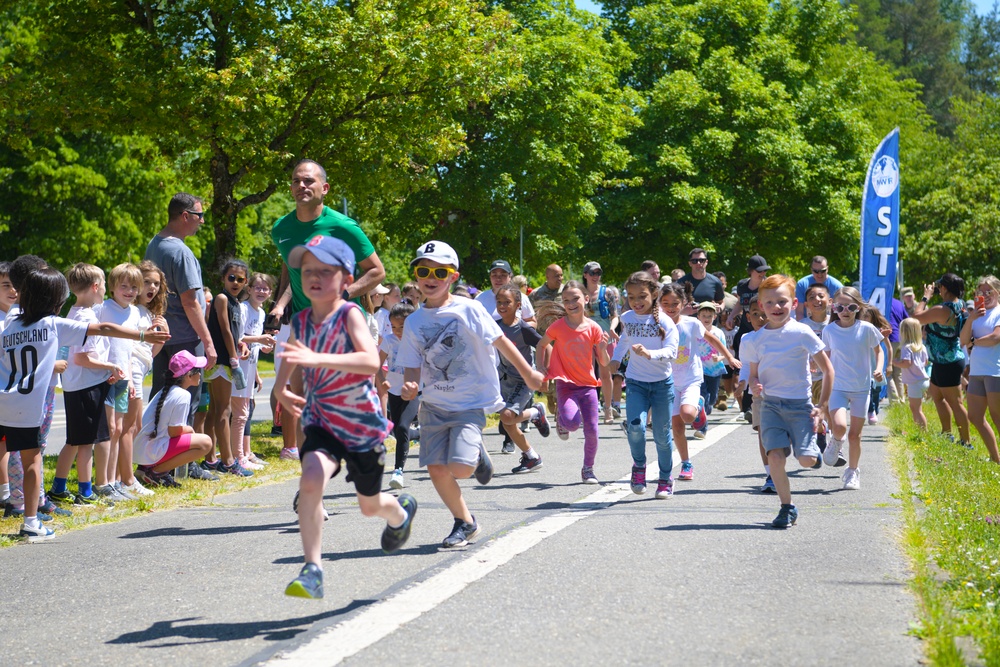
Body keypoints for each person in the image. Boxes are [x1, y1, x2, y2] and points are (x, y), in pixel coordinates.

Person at [276, 235, 414, 599]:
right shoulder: (302, 320)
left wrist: (317, 360)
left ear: (346, 276)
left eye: (325, 269)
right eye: (307, 270)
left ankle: (399, 514)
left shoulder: (350, 314)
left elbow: (370, 361)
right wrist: (280, 387)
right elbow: (294, 357)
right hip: (322, 421)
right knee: (310, 479)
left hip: (361, 426)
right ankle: (312, 569)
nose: (314, 276)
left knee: (369, 506)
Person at [2, 267, 169, 541]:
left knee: (10, 455)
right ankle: (30, 522)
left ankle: (13, 501)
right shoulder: (53, 324)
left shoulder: (10, 325)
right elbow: (103, 328)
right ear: (56, 299)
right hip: (30, 405)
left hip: (6, 400)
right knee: (32, 462)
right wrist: (142, 336)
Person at [398, 240, 543, 548]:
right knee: (437, 468)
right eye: (424, 270)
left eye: (440, 271)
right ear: (416, 275)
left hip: (467, 403)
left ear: (453, 276)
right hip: (433, 406)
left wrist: (529, 373)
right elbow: (412, 365)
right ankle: (465, 522)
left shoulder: (470, 308)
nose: (431, 276)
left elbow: (502, 342)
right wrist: (410, 386)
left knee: (461, 469)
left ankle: (475, 455)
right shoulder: (413, 321)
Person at [268, 159, 387, 461]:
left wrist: (342, 294)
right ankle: (314, 473)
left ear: (325, 188)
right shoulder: (281, 229)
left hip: (342, 326)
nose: (302, 186)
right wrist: (282, 304)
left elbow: (376, 271)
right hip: (303, 324)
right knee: (304, 400)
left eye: (309, 181)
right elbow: (292, 274)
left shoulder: (343, 226)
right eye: (296, 181)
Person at [742, 274, 833, 528]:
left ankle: (816, 441)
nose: (776, 308)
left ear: (793, 304)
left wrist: (822, 408)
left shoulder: (801, 332)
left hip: (800, 406)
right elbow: (753, 374)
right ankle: (786, 507)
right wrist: (753, 384)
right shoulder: (754, 339)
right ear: (761, 306)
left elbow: (828, 370)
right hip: (770, 405)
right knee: (775, 458)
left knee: (805, 460)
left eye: (782, 302)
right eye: (769, 303)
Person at [51, 263, 121, 505]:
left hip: (79, 386)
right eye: (103, 285)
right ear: (95, 286)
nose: (104, 290)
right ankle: (86, 492)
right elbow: (83, 358)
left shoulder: (75, 312)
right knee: (85, 443)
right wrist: (110, 367)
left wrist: (104, 373)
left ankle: (59, 487)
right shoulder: (86, 318)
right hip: (85, 389)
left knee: (74, 440)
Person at [145, 193, 217, 414]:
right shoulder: (181, 252)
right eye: (200, 215)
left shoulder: (154, 244)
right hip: (185, 339)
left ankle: (156, 448)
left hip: (161, 337)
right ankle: (180, 450)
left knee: (160, 401)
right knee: (185, 405)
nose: (202, 221)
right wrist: (208, 343)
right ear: (185, 216)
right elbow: (190, 303)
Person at [658, 282, 739, 482]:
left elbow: (713, 339)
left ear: (684, 303)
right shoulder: (657, 324)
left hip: (690, 379)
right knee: (676, 427)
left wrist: (729, 358)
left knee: (687, 415)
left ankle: (699, 407)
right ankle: (686, 463)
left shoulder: (691, 323)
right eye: (665, 303)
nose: (670, 307)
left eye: (675, 303)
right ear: (659, 303)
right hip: (668, 381)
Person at [536, 280, 610, 483]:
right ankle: (562, 417)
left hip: (588, 386)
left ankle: (588, 469)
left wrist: (602, 349)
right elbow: (542, 345)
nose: (570, 303)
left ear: (586, 299)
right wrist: (540, 367)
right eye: (566, 300)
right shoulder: (557, 327)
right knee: (572, 424)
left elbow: (603, 362)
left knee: (592, 430)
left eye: (575, 298)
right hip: (565, 384)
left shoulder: (594, 328)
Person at [612, 271, 678, 498]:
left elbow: (672, 352)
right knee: (636, 427)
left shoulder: (666, 322)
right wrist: (614, 361)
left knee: (661, 434)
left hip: (662, 385)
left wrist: (649, 353)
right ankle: (639, 466)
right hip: (636, 383)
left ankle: (665, 477)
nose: (636, 302)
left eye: (642, 296)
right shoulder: (628, 318)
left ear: (654, 294)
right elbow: (624, 341)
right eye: (631, 297)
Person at [820, 287, 885, 491]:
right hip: (837, 387)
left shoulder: (866, 328)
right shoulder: (829, 330)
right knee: (839, 426)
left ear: (858, 307)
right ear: (834, 307)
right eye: (840, 307)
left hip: (861, 388)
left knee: (855, 435)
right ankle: (835, 442)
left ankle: (852, 472)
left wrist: (879, 368)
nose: (845, 310)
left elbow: (879, 351)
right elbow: (826, 358)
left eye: (851, 306)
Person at [133, 351, 215, 489]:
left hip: (142, 451)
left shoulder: (168, 390)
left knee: (195, 439)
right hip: (151, 451)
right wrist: (189, 429)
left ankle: (146, 468)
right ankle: (157, 472)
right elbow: (174, 431)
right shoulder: (183, 395)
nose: (200, 374)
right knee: (205, 443)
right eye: (198, 370)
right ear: (189, 375)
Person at [202, 259, 253, 477]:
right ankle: (229, 461)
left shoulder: (236, 303)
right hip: (221, 360)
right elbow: (224, 330)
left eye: (240, 279)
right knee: (224, 410)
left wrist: (240, 344)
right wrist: (233, 357)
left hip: (226, 358)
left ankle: (210, 459)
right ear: (223, 278)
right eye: (231, 277)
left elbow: (233, 333)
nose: (235, 282)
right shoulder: (222, 298)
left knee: (215, 410)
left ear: (245, 282)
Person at [494, 285, 550, 473]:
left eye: (507, 302)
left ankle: (535, 412)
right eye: (499, 302)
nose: (502, 306)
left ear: (518, 305)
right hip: (504, 379)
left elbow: (547, 347)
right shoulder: (495, 326)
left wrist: (544, 374)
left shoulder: (523, 328)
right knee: (508, 424)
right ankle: (531, 456)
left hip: (523, 381)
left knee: (507, 417)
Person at [98, 263, 143, 501]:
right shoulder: (103, 308)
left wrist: (132, 377)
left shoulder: (134, 312)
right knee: (110, 430)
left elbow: (130, 349)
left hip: (124, 379)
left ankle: (115, 481)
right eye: (124, 286)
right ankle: (103, 482)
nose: (129, 291)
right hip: (106, 377)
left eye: (134, 287)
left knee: (118, 429)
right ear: (112, 287)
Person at [912, 273, 971, 445]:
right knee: (937, 396)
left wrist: (925, 297)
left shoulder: (942, 310)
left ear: (944, 288)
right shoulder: (959, 304)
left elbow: (916, 317)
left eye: (939, 288)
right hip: (942, 360)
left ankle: (965, 441)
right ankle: (947, 433)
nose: (937, 290)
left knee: (956, 402)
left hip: (948, 361)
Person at [232, 272, 277, 471]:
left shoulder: (260, 313)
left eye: (265, 288)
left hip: (250, 370)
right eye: (257, 287)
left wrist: (262, 347)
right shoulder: (243, 309)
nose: (261, 291)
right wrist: (260, 339)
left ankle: (245, 452)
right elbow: (238, 337)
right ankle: (238, 457)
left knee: (247, 411)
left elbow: (254, 342)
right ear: (248, 290)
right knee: (240, 414)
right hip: (237, 370)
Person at [378, 301, 419, 489]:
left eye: (401, 326)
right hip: (394, 391)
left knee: (402, 427)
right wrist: (382, 380)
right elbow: (376, 364)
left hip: (414, 390)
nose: (397, 331)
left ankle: (398, 471)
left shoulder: (418, 340)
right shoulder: (388, 340)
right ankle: (419, 433)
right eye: (393, 326)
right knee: (398, 429)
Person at [959, 276, 1000, 463]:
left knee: (997, 416)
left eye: (989, 291)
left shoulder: (999, 312)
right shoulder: (977, 314)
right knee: (975, 416)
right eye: (980, 292)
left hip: (995, 371)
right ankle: (995, 458)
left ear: (997, 292)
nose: (985, 295)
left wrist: (974, 342)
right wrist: (971, 319)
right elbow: (963, 340)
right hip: (976, 371)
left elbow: (995, 337)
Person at [581, 261, 620, 422]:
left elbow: (615, 316)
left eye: (598, 273)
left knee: (605, 374)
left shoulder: (607, 292)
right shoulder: (580, 293)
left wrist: (612, 328)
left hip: (604, 338)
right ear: (585, 275)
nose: (595, 276)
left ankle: (608, 409)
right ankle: (589, 409)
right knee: (586, 375)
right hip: (585, 338)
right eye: (592, 273)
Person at [695, 302, 728, 439]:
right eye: (704, 315)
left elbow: (725, 353)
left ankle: (704, 412)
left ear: (715, 317)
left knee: (712, 398)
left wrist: (718, 358)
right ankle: (702, 428)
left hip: (714, 371)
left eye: (710, 315)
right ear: (698, 317)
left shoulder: (718, 333)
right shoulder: (695, 331)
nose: (707, 318)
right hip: (699, 370)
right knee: (702, 396)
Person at [896, 318, 930, 429]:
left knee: (916, 409)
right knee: (916, 408)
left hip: (914, 382)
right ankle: (919, 430)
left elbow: (907, 363)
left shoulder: (906, 348)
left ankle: (922, 433)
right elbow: (925, 362)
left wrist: (894, 363)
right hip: (924, 380)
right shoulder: (922, 347)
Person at [794, 255, 844, 321]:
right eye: (816, 271)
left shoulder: (837, 286)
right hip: (808, 324)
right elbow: (799, 312)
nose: (819, 274)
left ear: (827, 269)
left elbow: (841, 310)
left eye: (823, 271)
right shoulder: (802, 284)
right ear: (811, 270)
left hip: (830, 324)